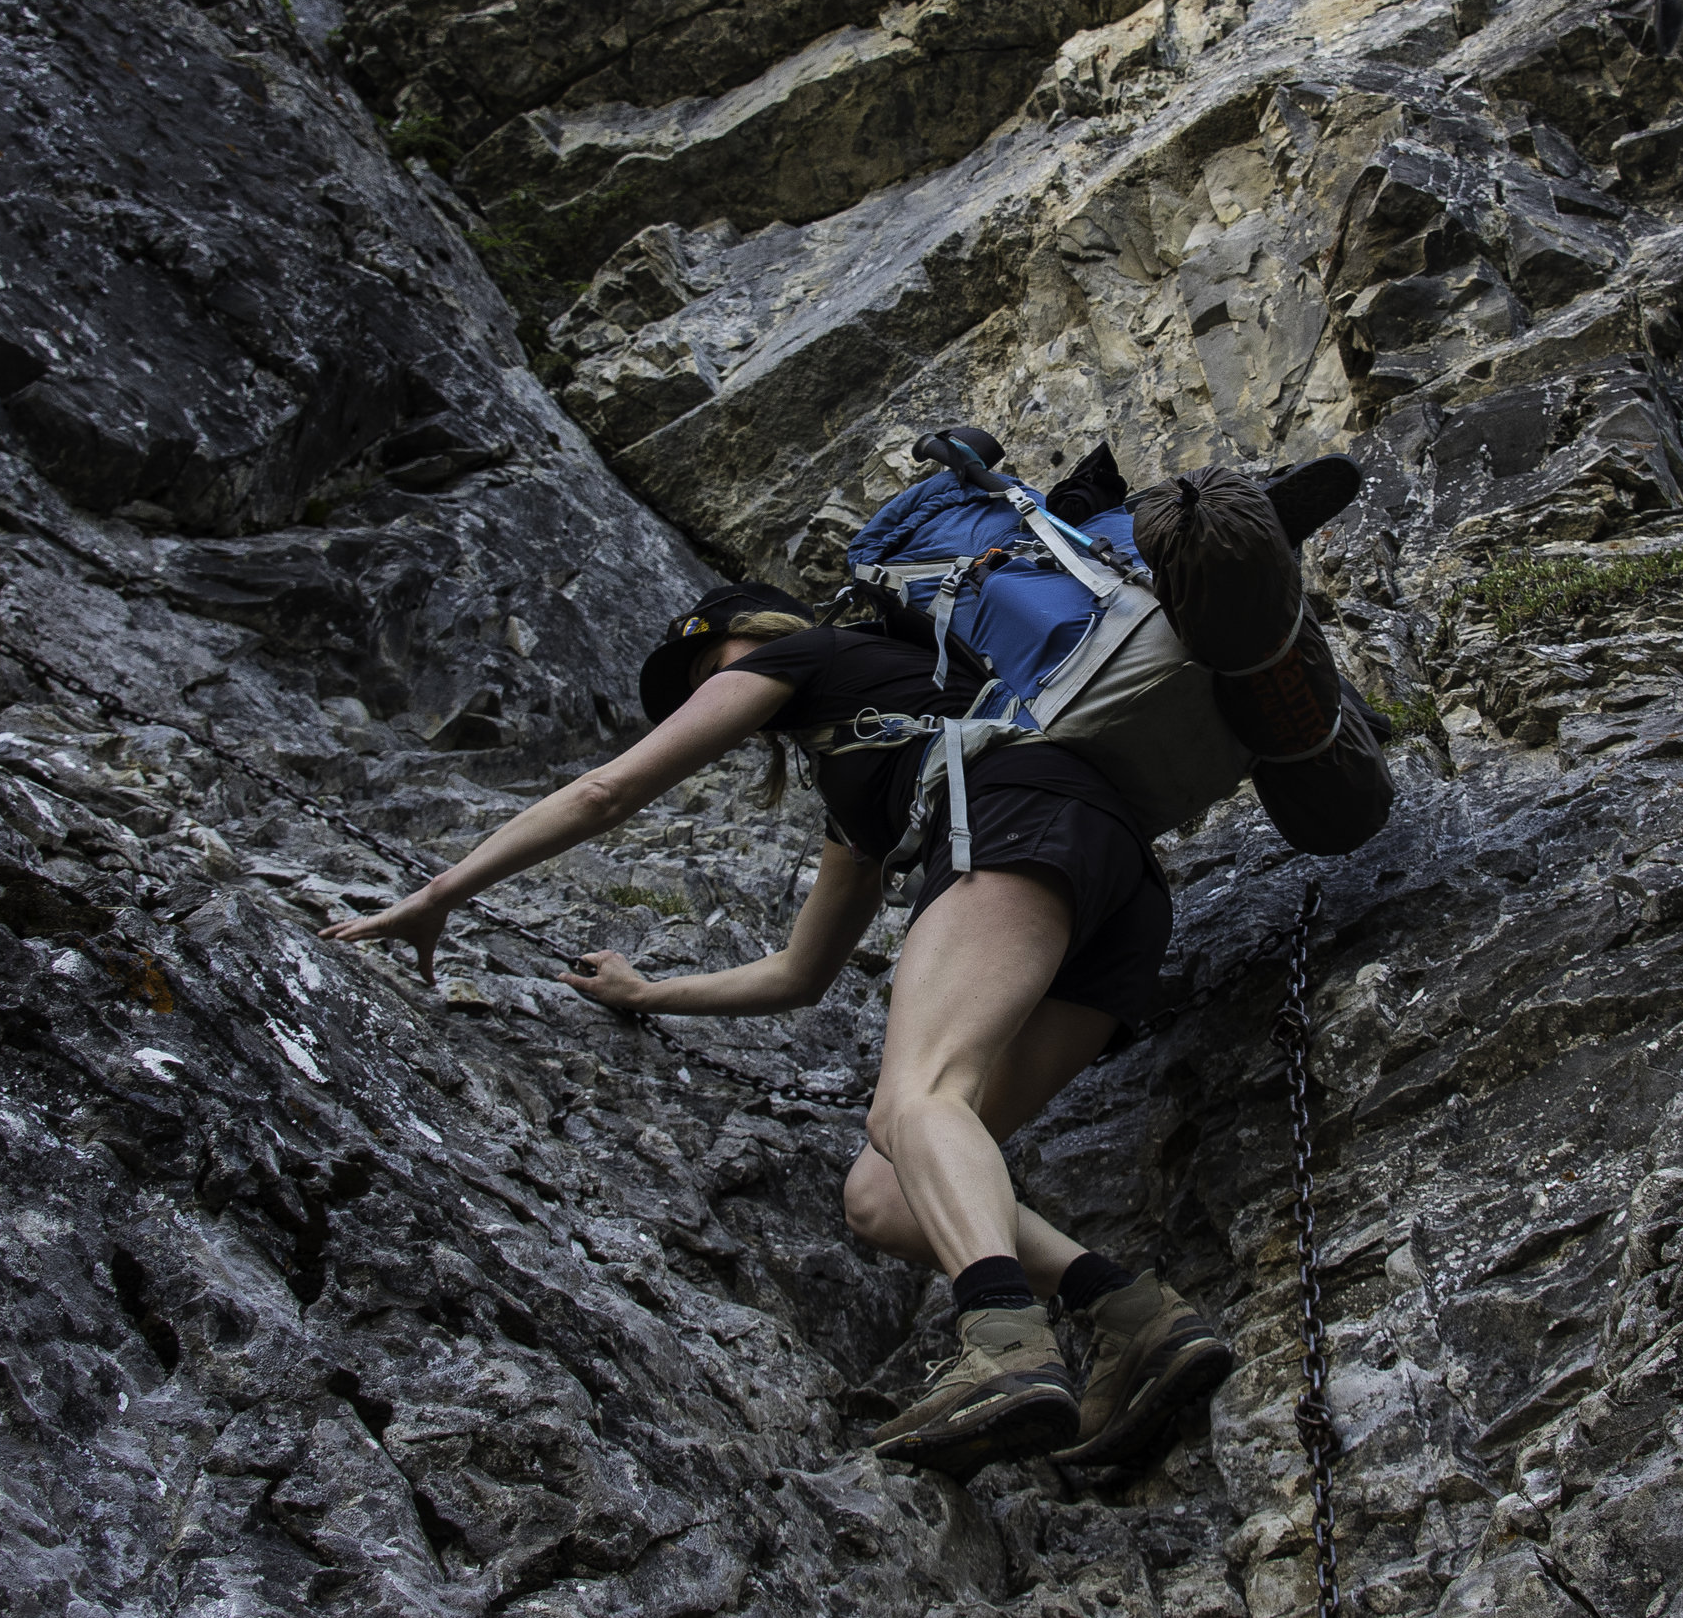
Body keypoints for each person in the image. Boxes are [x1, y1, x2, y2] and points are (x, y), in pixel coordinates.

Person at [323, 582, 1235, 1480]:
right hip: (1119, 892)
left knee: (918, 1097)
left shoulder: (811, 654)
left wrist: (439, 893)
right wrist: (648, 995)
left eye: (706, 666)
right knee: (884, 1191)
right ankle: (1131, 1317)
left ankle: (1003, 1342)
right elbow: (802, 974)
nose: (704, 696)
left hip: (1020, 826)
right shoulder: (877, 748)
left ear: (754, 637)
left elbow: (607, 791)